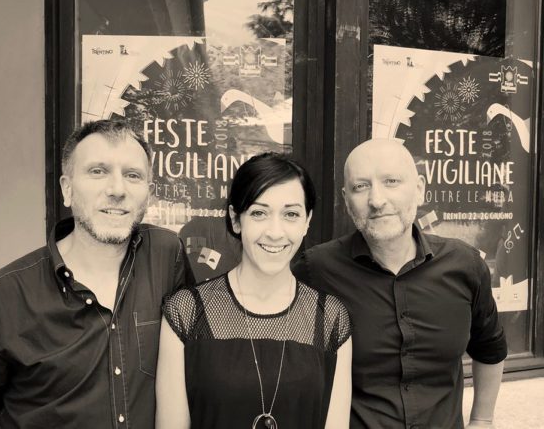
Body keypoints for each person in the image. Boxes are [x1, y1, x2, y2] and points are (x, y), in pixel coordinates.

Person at [0, 119, 193, 428]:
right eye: (98, 171)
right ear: (67, 189)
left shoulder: (167, 256)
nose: (117, 190)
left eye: (132, 175)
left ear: (149, 194)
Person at [292, 139, 507, 429]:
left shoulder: (465, 265)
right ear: (346, 200)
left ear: (419, 189)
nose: (376, 200)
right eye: (360, 186)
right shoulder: (315, 270)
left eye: (391, 181)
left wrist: (482, 420)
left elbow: (490, 347)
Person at [156, 152, 353, 429]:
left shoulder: (330, 318)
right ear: (236, 219)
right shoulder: (186, 312)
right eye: (259, 213)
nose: (275, 232)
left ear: (307, 221)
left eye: (291, 214)